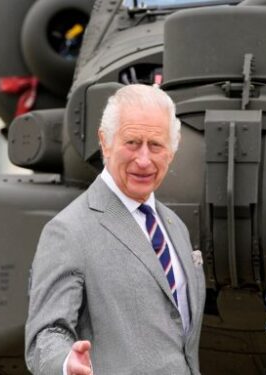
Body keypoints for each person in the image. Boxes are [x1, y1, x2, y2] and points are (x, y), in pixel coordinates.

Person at [25, 84, 205, 375]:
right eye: (132, 143)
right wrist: (65, 364)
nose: (144, 160)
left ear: (173, 149)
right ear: (104, 142)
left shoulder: (175, 227)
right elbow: (46, 335)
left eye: (156, 145)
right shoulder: (68, 231)